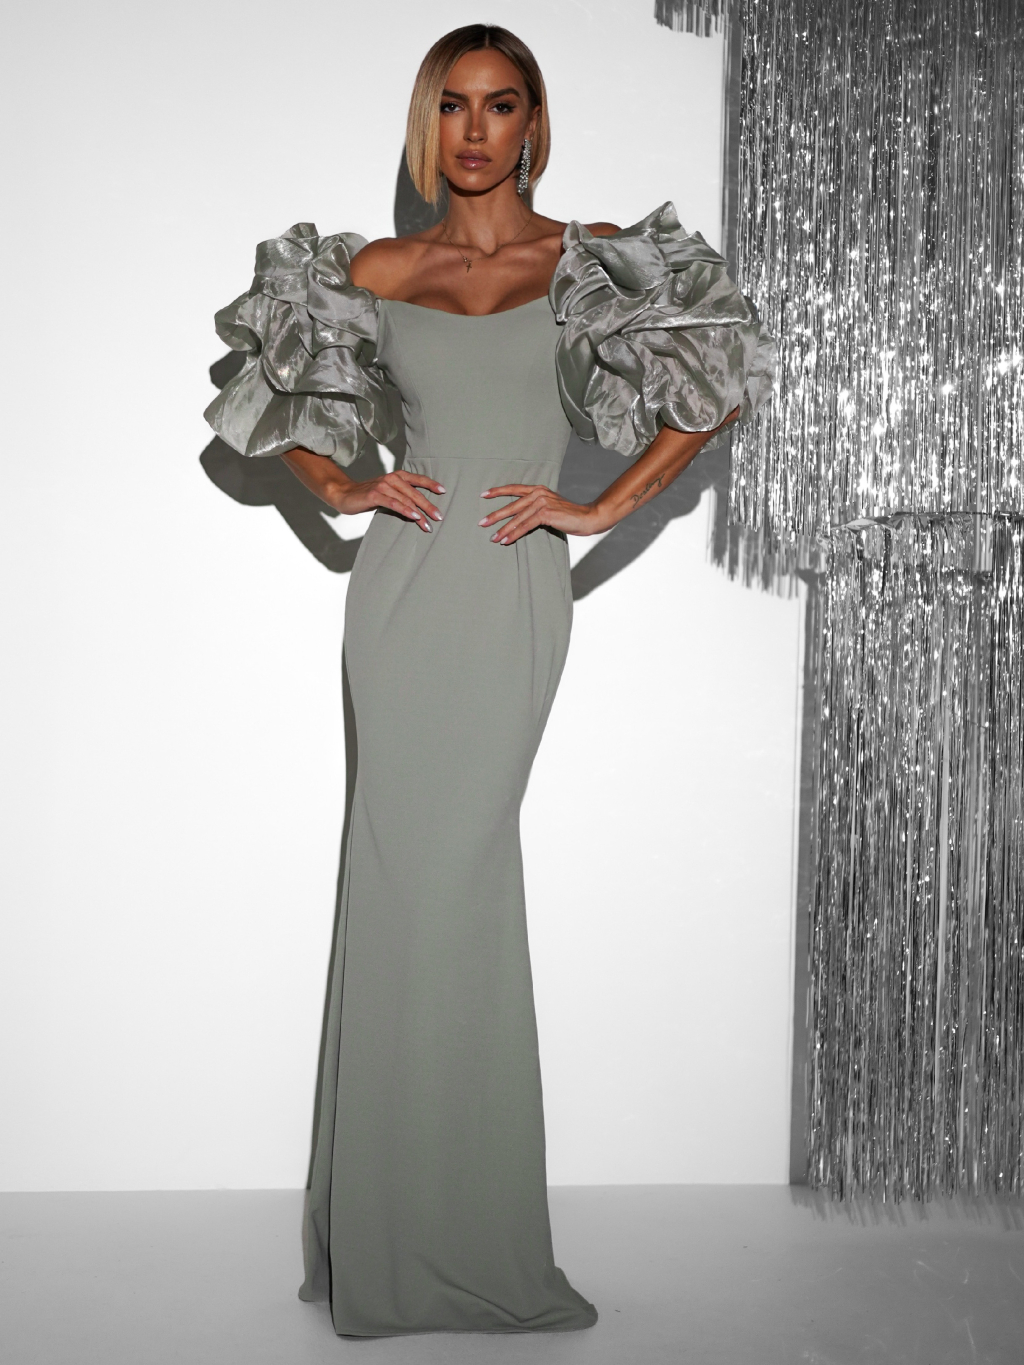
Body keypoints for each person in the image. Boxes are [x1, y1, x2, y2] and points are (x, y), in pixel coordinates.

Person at [205, 22, 775, 1339]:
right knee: (396, 880)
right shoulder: (376, 267)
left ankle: (461, 1233)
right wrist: (343, 483)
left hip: (513, 590)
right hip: (402, 592)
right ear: (430, 123)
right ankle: (386, 1239)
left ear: (532, 123)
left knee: (456, 880)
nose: (475, 130)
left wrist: (600, 507)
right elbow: (266, 393)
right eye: (453, 106)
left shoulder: (589, 261)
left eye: (500, 105)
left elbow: (720, 384)